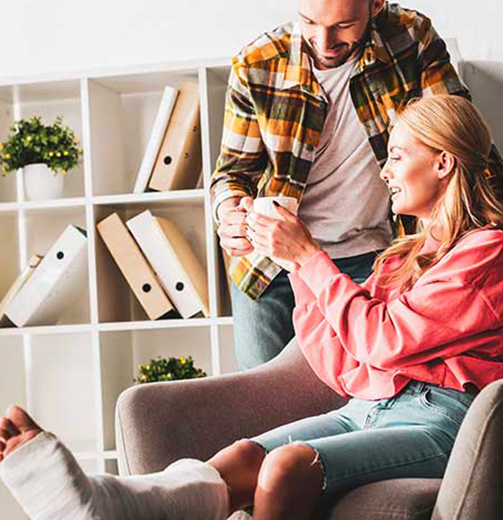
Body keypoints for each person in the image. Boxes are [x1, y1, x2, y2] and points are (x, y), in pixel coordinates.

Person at [0, 95, 503, 520]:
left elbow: (383, 339)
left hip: (440, 423)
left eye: (397, 155)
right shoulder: (400, 258)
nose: (385, 170)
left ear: (443, 162)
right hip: (365, 408)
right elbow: (346, 366)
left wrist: (310, 255)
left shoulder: (488, 250)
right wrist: (293, 266)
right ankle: (105, 505)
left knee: (284, 467)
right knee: (241, 458)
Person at [211, 0, 503, 371]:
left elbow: (456, 140)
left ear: (376, 4)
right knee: (266, 398)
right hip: (273, 264)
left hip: (378, 258)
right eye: (309, 22)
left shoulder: (409, 38)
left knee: (368, 394)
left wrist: (483, 233)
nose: (323, 40)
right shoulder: (256, 64)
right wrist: (230, 210)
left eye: (343, 26)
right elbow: (233, 172)